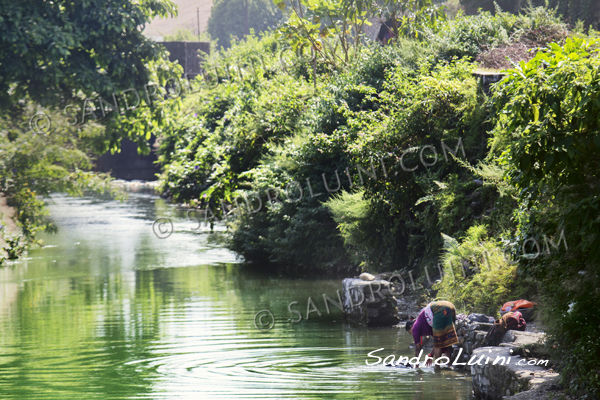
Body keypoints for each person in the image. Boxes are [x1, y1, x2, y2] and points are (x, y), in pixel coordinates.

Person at [405, 300, 459, 367]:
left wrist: (416, 365)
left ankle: (437, 368)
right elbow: (439, 341)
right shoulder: (427, 324)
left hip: (439, 309)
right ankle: (449, 366)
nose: (412, 334)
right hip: (450, 306)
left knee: (438, 344)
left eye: (410, 332)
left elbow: (418, 348)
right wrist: (430, 355)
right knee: (446, 340)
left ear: (411, 327)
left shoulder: (415, 327)